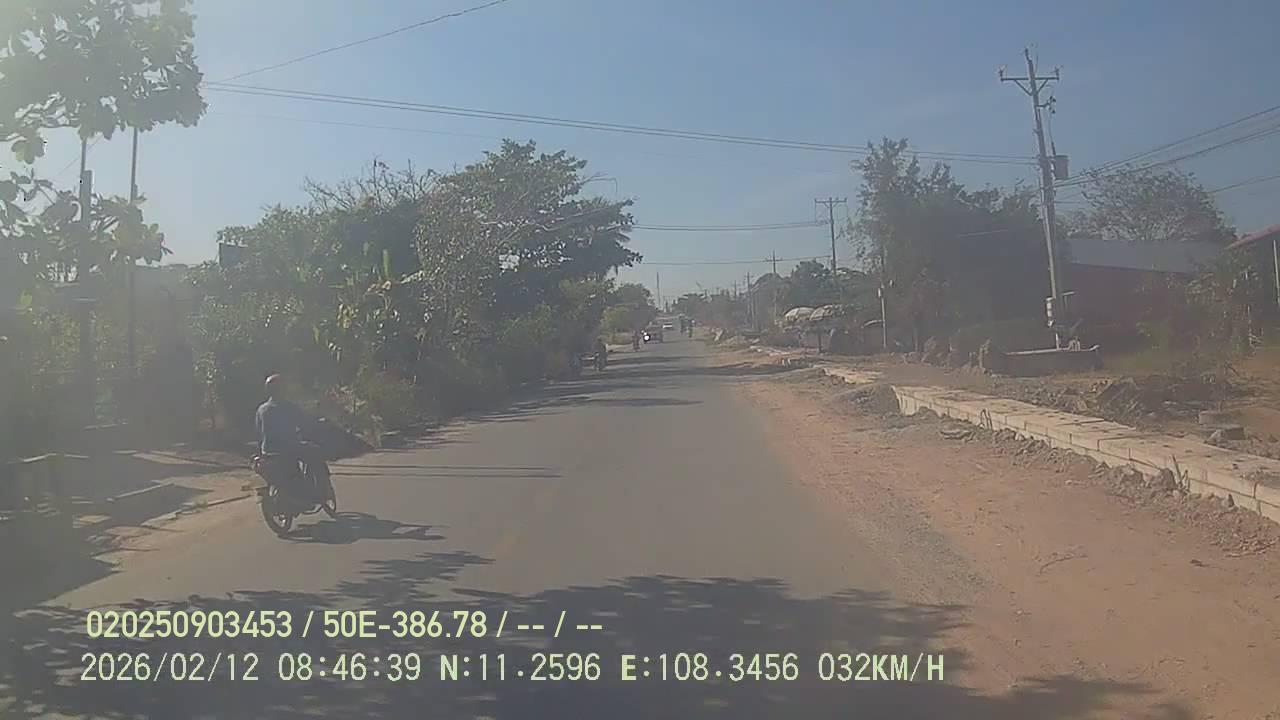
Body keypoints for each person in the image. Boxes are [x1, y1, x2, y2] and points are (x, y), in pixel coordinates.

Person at [255, 374, 331, 500]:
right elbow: (305, 422)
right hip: (289, 449)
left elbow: (258, 433)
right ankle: (322, 492)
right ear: (283, 389)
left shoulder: (261, 409)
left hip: (267, 452)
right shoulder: (288, 407)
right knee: (316, 453)